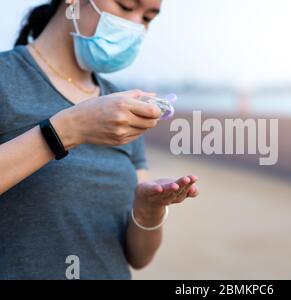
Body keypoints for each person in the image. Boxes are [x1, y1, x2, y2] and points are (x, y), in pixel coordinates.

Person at [0, 0, 199, 279]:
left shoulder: (123, 104)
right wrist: (65, 131)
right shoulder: (5, 78)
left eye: (149, 17)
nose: (136, 25)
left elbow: (138, 257)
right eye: (126, 6)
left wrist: (149, 208)